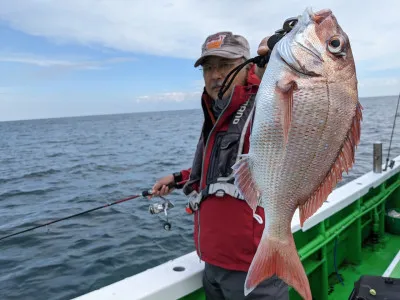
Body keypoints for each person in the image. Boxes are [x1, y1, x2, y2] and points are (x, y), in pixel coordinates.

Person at [150, 31, 289, 299]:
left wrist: (282, 51)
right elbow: (225, 171)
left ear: (248, 65)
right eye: (208, 68)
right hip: (213, 263)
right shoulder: (216, 112)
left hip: (255, 267)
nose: (215, 75)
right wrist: (179, 178)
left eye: (225, 65)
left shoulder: (267, 103)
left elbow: (300, 92)